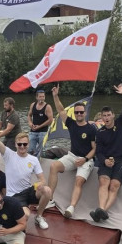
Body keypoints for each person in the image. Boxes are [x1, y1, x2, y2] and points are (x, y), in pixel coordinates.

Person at [0, 106, 53, 230]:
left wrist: (40, 184)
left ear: (28, 145)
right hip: (15, 195)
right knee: (26, 215)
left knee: (47, 190)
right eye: (19, 144)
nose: (22, 146)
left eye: (25, 144)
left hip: (28, 191)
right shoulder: (8, 155)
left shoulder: (33, 160)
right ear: (16, 145)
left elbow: (42, 179)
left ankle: (39, 216)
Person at [48, 84, 96, 218]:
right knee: (53, 166)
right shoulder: (71, 124)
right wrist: (55, 96)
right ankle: (50, 198)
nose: (79, 114)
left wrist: (85, 159)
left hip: (86, 159)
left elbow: (94, 149)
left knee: (79, 180)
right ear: (74, 114)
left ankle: (71, 207)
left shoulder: (91, 129)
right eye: (77, 112)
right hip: (72, 156)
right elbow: (61, 110)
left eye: (81, 112)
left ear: (85, 113)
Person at [91, 84, 122, 223]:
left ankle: (102, 211)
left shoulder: (120, 124)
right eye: (104, 115)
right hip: (107, 160)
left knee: (114, 185)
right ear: (101, 117)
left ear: (113, 115)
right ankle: (101, 210)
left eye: (109, 115)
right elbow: (99, 152)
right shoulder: (100, 132)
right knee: (103, 181)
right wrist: (104, 161)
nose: (106, 118)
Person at [27, 89, 53, 156]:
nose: (42, 98)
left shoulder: (47, 107)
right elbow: (29, 115)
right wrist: (30, 123)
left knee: (41, 151)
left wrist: (40, 126)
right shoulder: (33, 105)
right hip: (33, 131)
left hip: (43, 132)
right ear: (37, 97)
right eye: (40, 97)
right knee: (30, 150)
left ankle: (40, 163)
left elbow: (50, 120)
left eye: (43, 96)